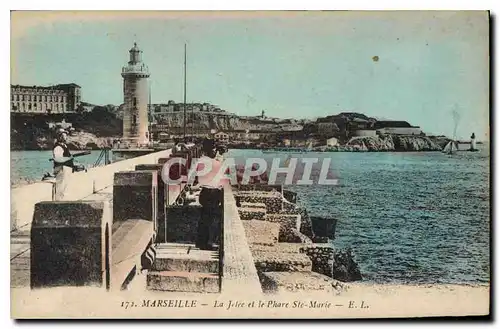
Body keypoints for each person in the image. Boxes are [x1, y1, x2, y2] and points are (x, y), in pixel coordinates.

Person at [193, 138, 225, 250]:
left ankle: (201, 242)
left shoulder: (202, 160)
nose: (215, 152)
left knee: (205, 219)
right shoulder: (209, 161)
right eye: (214, 149)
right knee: (210, 220)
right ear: (209, 150)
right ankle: (207, 243)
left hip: (205, 192)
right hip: (210, 193)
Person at [52, 129, 74, 201]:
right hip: (62, 169)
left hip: (66, 169)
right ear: (60, 136)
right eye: (64, 135)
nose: (66, 137)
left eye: (66, 135)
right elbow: (58, 159)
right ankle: (59, 203)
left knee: (64, 189)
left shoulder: (64, 146)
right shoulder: (58, 147)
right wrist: (69, 158)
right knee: (60, 189)